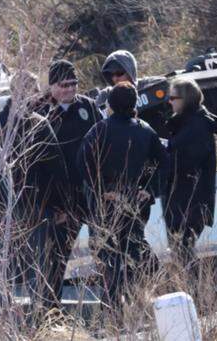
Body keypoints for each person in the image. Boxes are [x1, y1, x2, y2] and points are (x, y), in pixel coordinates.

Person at [78, 82, 168, 313]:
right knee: (132, 253)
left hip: (106, 204)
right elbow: (165, 164)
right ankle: (141, 303)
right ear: (134, 102)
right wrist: (149, 189)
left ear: (109, 105)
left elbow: (82, 164)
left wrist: (101, 190)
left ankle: (115, 310)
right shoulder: (145, 130)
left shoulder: (98, 130)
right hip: (136, 202)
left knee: (112, 260)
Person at [0, 71, 67, 315]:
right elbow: (56, 169)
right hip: (37, 206)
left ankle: (3, 318)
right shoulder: (39, 125)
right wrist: (61, 205)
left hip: (2, 209)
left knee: (4, 267)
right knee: (42, 266)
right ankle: (46, 318)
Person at [33, 59, 102, 310]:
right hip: (59, 200)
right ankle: (50, 310)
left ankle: (113, 305)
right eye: (65, 85)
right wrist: (50, 205)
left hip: (89, 194)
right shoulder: (38, 110)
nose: (71, 90)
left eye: (74, 84)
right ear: (52, 86)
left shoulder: (88, 107)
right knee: (56, 258)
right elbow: (34, 165)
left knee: (103, 250)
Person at [161, 77, 217, 268]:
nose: (169, 101)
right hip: (184, 201)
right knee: (183, 253)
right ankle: (194, 294)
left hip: (190, 203)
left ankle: (196, 296)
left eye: (173, 97)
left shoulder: (197, 125)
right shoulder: (188, 122)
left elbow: (185, 163)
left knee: (184, 254)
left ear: (186, 99)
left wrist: (161, 154)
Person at [96, 50, 167, 136]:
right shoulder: (106, 95)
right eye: (111, 75)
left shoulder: (146, 85)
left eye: (119, 73)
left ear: (130, 70)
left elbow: (165, 83)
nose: (115, 79)